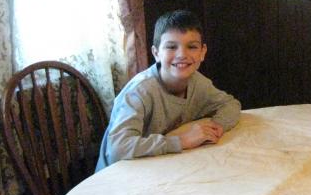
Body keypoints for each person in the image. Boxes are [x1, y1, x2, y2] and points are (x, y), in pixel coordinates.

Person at [96, 10, 241, 171]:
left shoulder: (198, 82)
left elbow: (230, 104)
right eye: (171, 47)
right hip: (119, 176)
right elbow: (117, 149)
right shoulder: (139, 92)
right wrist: (182, 141)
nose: (182, 54)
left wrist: (214, 128)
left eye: (192, 47)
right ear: (156, 53)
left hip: (162, 168)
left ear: (202, 52)